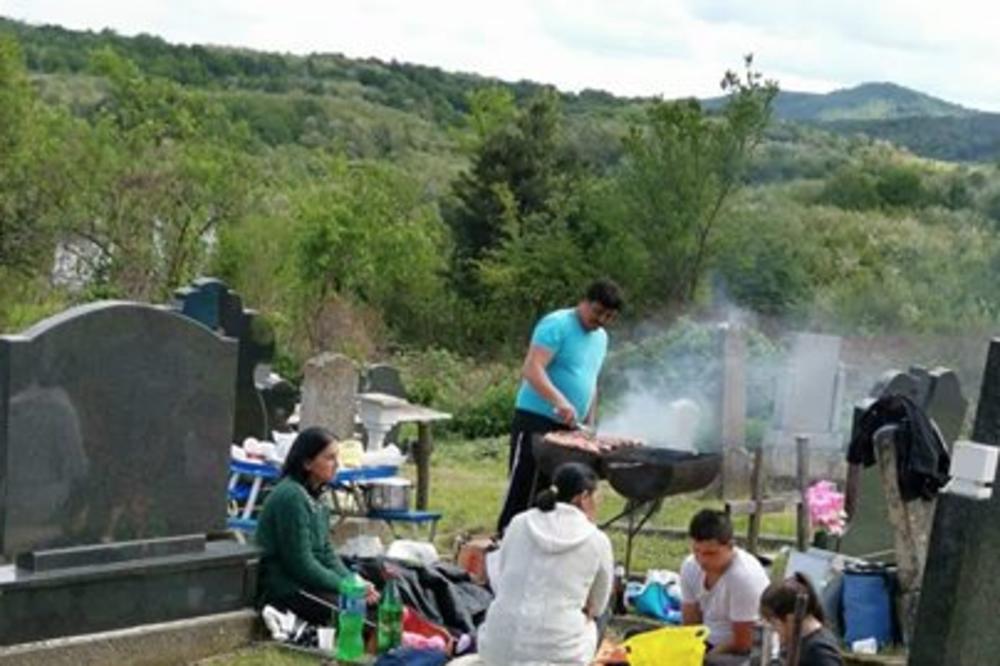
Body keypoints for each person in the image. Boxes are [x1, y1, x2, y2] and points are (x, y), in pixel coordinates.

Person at [495, 278, 624, 534]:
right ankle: (507, 540)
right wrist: (560, 401)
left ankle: (549, 545)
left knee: (560, 493)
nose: (600, 320)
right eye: (597, 312)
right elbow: (532, 369)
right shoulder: (557, 324)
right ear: (584, 302)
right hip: (536, 421)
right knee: (525, 489)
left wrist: (590, 421)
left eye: (608, 316)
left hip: (571, 429)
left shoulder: (601, 338)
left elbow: (591, 381)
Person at [478, 462, 614, 666]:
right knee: (603, 612)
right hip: (561, 656)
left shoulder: (519, 522)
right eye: (596, 498)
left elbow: (501, 576)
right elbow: (598, 605)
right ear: (583, 497)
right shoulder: (596, 539)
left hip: (496, 651)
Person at [255, 426, 379, 624]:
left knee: (376, 608)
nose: (337, 464)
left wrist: (354, 581)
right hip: (286, 587)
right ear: (307, 463)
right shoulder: (291, 496)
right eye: (329, 458)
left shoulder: (318, 497)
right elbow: (301, 564)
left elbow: (326, 552)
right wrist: (344, 586)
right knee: (360, 619)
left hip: (308, 582)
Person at [680, 509, 770, 658]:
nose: (702, 560)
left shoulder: (744, 578)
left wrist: (706, 659)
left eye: (711, 554)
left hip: (742, 652)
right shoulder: (690, 566)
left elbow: (744, 643)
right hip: (706, 641)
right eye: (697, 551)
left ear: (730, 546)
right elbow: (690, 624)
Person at [760, 573, 844, 666]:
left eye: (773, 623)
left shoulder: (819, 652)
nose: (774, 630)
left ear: (790, 618)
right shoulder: (796, 641)